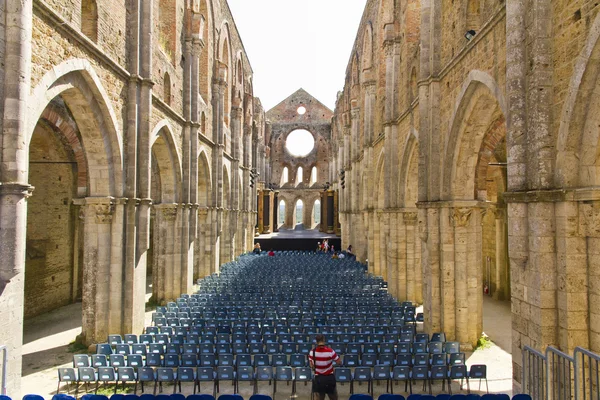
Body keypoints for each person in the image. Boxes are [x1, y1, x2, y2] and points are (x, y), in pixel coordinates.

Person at [308, 334, 341, 400]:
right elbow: (339, 362)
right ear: (324, 340)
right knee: (333, 398)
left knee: (319, 398)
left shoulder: (312, 352)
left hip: (319, 378)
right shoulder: (330, 351)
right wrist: (331, 365)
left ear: (316, 342)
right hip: (329, 378)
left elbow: (311, 365)